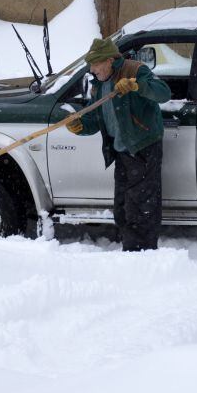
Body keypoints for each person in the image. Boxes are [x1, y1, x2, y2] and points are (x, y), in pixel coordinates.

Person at [67, 38, 171, 251]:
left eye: (95, 64)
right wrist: (79, 126)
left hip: (143, 148)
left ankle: (140, 256)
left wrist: (136, 85)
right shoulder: (98, 86)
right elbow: (95, 119)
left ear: (109, 60)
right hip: (121, 151)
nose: (92, 69)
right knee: (123, 207)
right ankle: (131, 250)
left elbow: (163, 93)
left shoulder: (134, 70)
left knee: (141, 208)